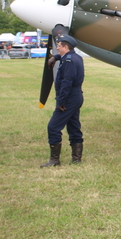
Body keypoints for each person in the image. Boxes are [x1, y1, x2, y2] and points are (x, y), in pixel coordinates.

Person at [40, 35, 85, 167]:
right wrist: (55, 57)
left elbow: (67, 82)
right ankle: (76, 159)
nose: (57, 48)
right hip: (76, 97)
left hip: (69, 98)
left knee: (53, 127)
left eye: (59, 46)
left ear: (65, 47)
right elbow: (66, 56)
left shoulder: (69, 62)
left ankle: (54, 160)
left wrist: (61, 102)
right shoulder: (75, 57)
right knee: (73, 126)